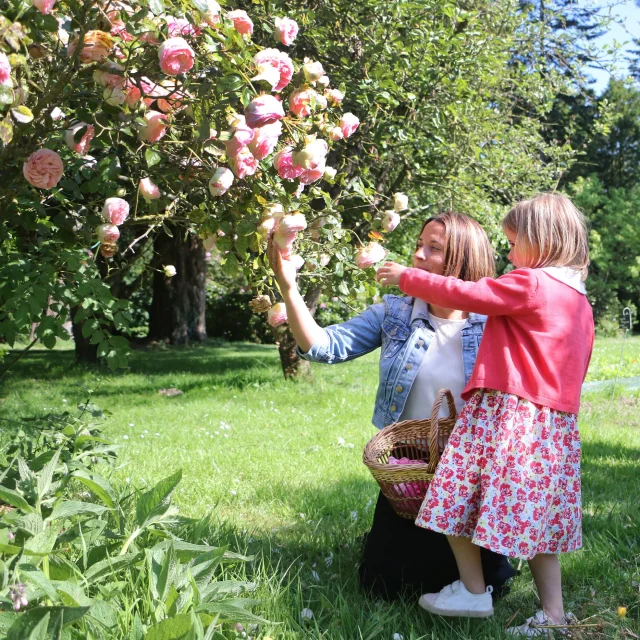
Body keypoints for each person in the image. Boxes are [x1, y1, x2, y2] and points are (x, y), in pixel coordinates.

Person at [268, 211, 516, 600]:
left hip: (469, 471)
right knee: (383, 584)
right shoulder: (396, 312)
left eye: (433, 248)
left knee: (493, 582)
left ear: (464, 259)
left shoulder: (495, 322)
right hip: (409, 472)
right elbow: (323, 346)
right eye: (419, 244)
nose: (417, 255)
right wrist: (288, 286)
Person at [376, 193, 594, 635]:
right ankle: (553, 613)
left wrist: (409, 278)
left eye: (515, 242)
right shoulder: (579, 301)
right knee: (538, 522)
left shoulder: (530, 283)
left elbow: (468, 293)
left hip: (506, 411)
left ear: (542, 241)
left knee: (451, 491)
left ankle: (474, 592)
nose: (509, 252)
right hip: (552, 426)